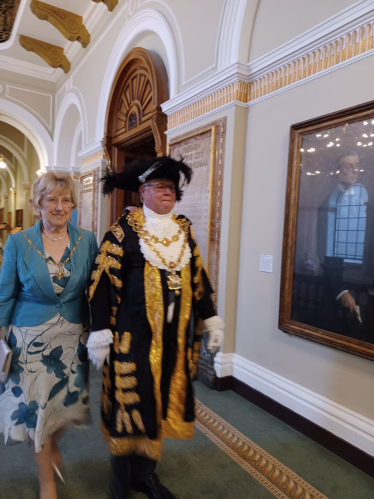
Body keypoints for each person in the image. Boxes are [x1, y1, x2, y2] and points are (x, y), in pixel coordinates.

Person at [87, 156, 224, 499]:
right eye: (160, 186)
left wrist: (210, 317)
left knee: (158, 406)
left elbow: (198, 278)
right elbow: (102, 282)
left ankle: (145, 475)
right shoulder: (122, 232)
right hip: (131, 340)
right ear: (143, 191)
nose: (168, 193)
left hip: (173, 341)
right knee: (128, 409)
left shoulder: (184, 229)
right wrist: (100, 331)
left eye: (172, 188)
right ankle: (120, 483)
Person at [0, 172, 98, 499]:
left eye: (66, 200)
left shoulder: (87, 240)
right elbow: (5, 294)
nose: (59, 206)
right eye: (51, 199)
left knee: (63, 409)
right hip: (30, 339)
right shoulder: (18, 242)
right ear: (38, 204)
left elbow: (95, 292)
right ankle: (46, 481)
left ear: (73, 204)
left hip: (72, 338)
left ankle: (51, 445)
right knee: (38, 411)